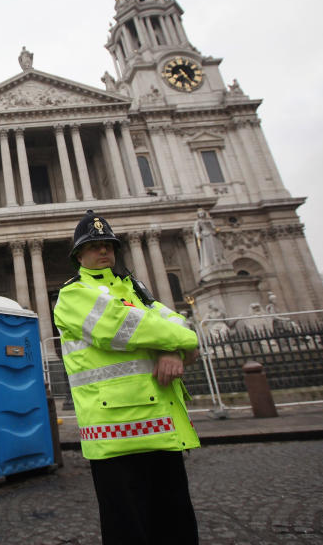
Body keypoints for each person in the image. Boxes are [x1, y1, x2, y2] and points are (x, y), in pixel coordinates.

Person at [53, 210, 201, 545]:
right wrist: (180, 343)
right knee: (128, 526)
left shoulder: (135, 288)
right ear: (79, 254)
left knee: (176, 520)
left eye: (108, 244)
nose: (103, 251)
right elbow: (123, 328)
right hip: (115, 431)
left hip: (161, 425)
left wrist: (170, 349)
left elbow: (177, 323)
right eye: (94, 246)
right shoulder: (73, 295)